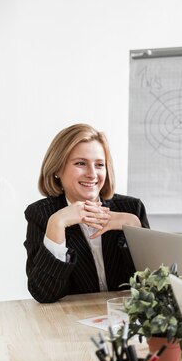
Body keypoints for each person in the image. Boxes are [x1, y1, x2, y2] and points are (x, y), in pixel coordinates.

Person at [25, 123, 149, 303]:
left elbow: (152, 286)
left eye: (99, 165)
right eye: (81, 163)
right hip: (70, 322)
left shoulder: (132, 209)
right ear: (57, 169)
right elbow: (44, 293)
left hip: (124, 319)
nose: (92, 174)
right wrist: (57, 223)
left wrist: (133, 226)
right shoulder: (41, 214)